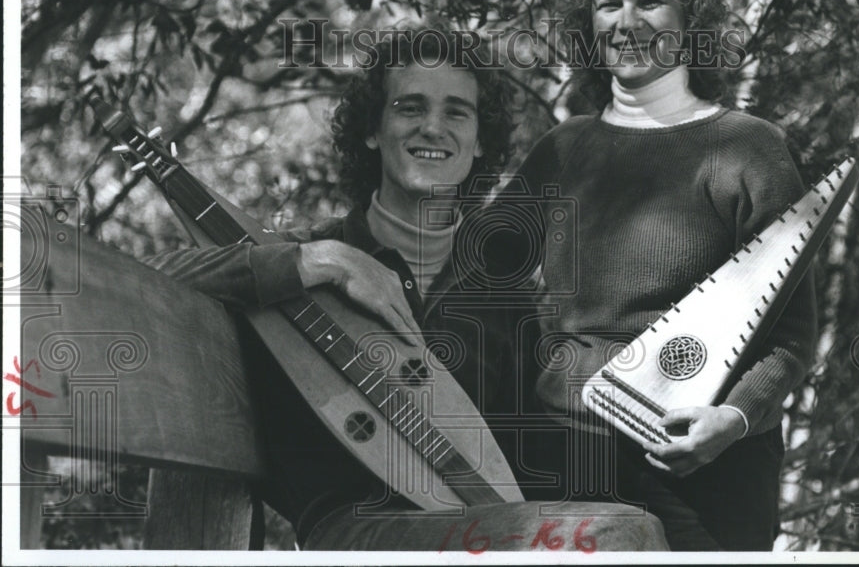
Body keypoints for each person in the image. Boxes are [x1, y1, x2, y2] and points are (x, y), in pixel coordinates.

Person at [144, 28, 668, 552]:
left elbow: (535, 457)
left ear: (480, 140)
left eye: (457, 112)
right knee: (626, 536)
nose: (433, 128)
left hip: (485, 526)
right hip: (354, 534)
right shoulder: (305, 260)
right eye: (410, 107)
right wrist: (316, 261)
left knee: (641, 526)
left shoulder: (501, 293)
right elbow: (146, 277)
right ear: (373, 129)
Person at [495, 0, 819, 551]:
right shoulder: (564, 151)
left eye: (649, 0)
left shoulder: (750, 147)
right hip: (574, 454)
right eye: (609, 3)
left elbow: (791, 335)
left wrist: (733, 417)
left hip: (714, 466)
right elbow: (474, 276)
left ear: (689, 18)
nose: (627, 21)